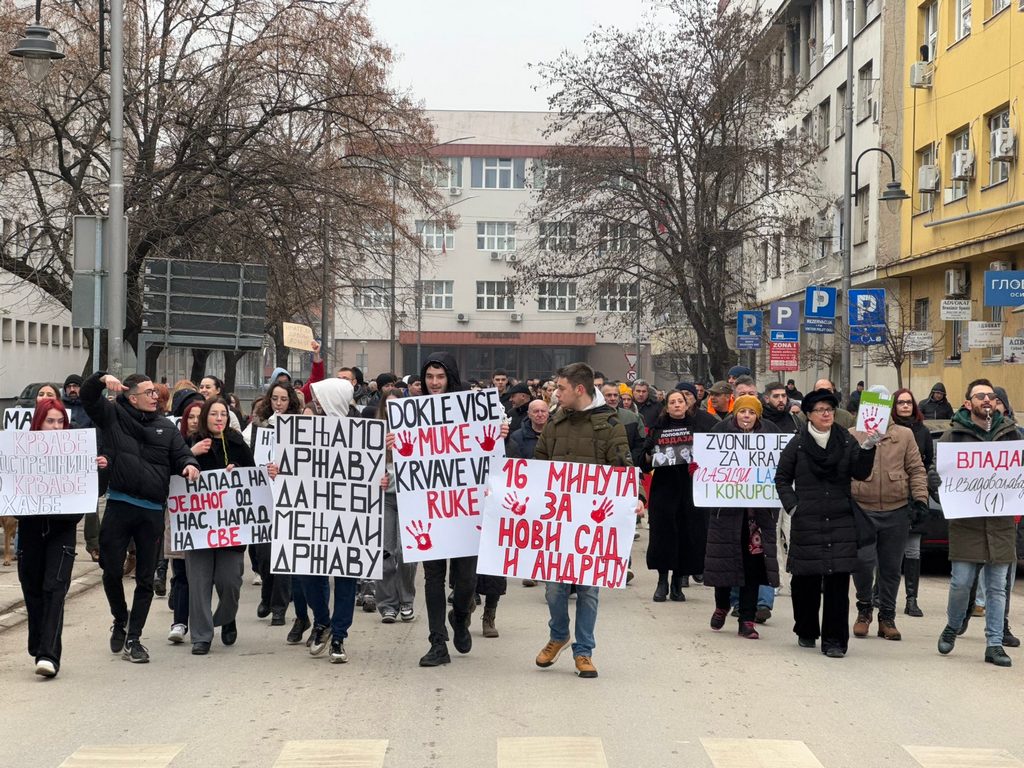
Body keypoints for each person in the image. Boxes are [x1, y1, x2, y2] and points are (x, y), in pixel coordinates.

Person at [81, 372, 200, 663]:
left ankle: (134, 638)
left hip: (151, 512)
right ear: (132, 397)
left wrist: (189, 465)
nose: (155, 397)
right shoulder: (113, 416)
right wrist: (100, 380)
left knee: (145, 578)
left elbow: (181, 454)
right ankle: (120, 618)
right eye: (148, 393)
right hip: (120, 506)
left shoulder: (166, 428)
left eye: (155, 393)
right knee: (111, 570)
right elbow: (87, 397)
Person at [533, 363, 638, 679]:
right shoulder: (555, 421)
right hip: (558, 519)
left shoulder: (609, 424)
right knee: (554, 588)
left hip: (594, 523)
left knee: (589, 590)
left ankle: (584, 652)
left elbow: (623, 467)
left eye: (560, 388)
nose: (555, 393)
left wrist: (638, 498)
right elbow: (539, 463)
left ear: (579, 389)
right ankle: (558, 635)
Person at [413, 353, 507, 667]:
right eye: (429, 377)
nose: (434, 383)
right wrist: (395, 443)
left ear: (450, 377)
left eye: (440, 377)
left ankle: (461, 615)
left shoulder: (472, 410)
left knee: (466, 580)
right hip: (430, 511)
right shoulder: (412, 413)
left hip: (468, 511)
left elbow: (488, 449)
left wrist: (498, 434)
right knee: (432, 579)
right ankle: (437, 643)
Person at [774, 388, 879, 658]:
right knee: (805, 581)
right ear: (809, 415)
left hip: (840, 520)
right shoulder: (797, 444)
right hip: (807, 519)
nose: (826, 414)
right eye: (820, 410)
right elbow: (782, 479)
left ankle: (835, 640)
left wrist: (868, 448)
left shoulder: (845, 440)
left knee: (837, 583)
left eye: (830, 410)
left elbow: (860, 472)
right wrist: (794, 506)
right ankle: (807, 630)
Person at [16, 399, 104, 678]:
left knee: (54, 588)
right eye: (49, 421)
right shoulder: (21, 452)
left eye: (59, 422)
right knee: (32, 588)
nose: (55, 427)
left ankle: (49, 655)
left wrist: (99, 470)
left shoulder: (76, 452)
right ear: (38, 423)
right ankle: (39, 643)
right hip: (30, 530)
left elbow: (93, 493)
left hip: (62, 530)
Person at [935, 379, 1018, 668]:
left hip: (1000, 523)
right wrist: (936, 483)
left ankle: (994, 644)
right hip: (966, 523)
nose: (986, 400)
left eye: (991, 396)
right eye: (980, 396)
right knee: (961, 583)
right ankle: (953, 625)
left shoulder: (1011, 435)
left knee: (997, 587)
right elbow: (940, 474)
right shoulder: (954, 437)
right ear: (968, 403)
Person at [849, 408, 928, 642]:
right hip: (862, 509)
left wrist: (921, 500)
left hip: (896, 509)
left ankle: (887, 617)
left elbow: (916, 468)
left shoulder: (904, 434)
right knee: (862, 562)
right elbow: (844, 469)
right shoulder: (853, 434)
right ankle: (864, 609)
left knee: (891, 568)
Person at [705, 395, 780, 639]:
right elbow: (706, 464)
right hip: (725, 513)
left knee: (753, 567)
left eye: (751, 412)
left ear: (758, 415)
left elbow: (782, 465)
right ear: (734, 413)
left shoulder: (771, 434)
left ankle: (747, 619)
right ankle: (722, 604)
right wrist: (698, 470)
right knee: (723, 560)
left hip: (756, 517)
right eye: (742, 411)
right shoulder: (718, 432)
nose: (746, 416)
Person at [184, 397, 252, 655]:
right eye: (214, 414)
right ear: (205, 417)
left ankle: (227, 616)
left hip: (231, 528)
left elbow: (253, 479)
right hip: (198, 528)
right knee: (199, 583)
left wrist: (240, 472)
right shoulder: (191, 442)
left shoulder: (237, 443)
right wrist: (191, 456)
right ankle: (201, 636)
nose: (219, 418)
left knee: (230, 581)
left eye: (223, 414)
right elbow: (173, 473)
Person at [640, 387, 717, 602]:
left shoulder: (698, 427)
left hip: (690, 489)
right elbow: (644, 463)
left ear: (687, 404)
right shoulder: (658, 428)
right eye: (672, 402)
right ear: (667, 406)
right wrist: (648, 452)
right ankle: (662, 581)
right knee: (664, 535)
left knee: (687, 534)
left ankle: (677, 582)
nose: (676, 405)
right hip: (664, 490)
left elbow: (710, 458)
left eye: (680, 401)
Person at [245, 382, 299, 628]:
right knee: (264, 556)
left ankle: (279, 608)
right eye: (275, 399)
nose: (279, 403)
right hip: (263, 498)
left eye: (284, 399)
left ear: (291, 402)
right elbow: (247, 455)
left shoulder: (300, 428)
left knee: (284, 556)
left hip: (289, 500)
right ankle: (267, 594)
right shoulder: (258, 427)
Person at [890, 388, 935, 618]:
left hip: (915, 496)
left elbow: (926, 462)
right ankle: (881, 596)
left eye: (909, 402)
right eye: (900, 403)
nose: (905, 406)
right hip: (892, 494)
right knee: (887, 551)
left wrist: (925, 489)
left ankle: (912, 599)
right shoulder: (886, 429)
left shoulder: (923, 431)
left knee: (913, 550)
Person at [374, 391, 418, 625]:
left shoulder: (418, 431)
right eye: (389, 407)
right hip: (386, 499)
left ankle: (407, 600)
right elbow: (361, 465)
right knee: (386, 553)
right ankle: (387, 604)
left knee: (408, 555)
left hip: (411, 497)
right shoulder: (375, 433)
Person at [166, 400, 203, 646]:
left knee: (199, 575)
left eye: (199, 417)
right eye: (191, 416)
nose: (194, 421)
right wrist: (191, 455)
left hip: (206, 520)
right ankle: (179, 622)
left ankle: (204, 621)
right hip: (180, 516)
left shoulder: (215, 445)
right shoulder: (173, 442)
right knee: (180, 572)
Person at [601, 382, 647, 466]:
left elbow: (641, 445)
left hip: (626, 469)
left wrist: (631, 462)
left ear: (619, 398)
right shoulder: (592, 417)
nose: (613, 398)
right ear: (601, 397)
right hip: (599, 470)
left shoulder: (633, 418)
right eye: (608, 395)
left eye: (615, 395)